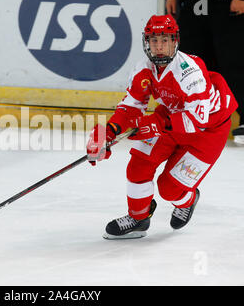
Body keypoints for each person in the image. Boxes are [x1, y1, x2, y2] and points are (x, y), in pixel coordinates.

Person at [86, 15, 237, 239]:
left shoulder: (189, 71)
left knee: (169, 189)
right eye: (154, 41)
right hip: (170, 118)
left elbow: (199, 119)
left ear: (175, 41)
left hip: (208, 131)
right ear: (146, 42)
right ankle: (139, 218)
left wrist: (157, 123)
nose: (159, 47)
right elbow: (131, 106)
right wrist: (110, 132)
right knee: (138, 165)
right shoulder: (143, 69)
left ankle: (188, 199)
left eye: (164, 41)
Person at [165, 0, 244, 145]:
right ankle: (198, 118)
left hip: (228, 0)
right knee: (192, 62)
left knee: (234, 60)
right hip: (196, 0)